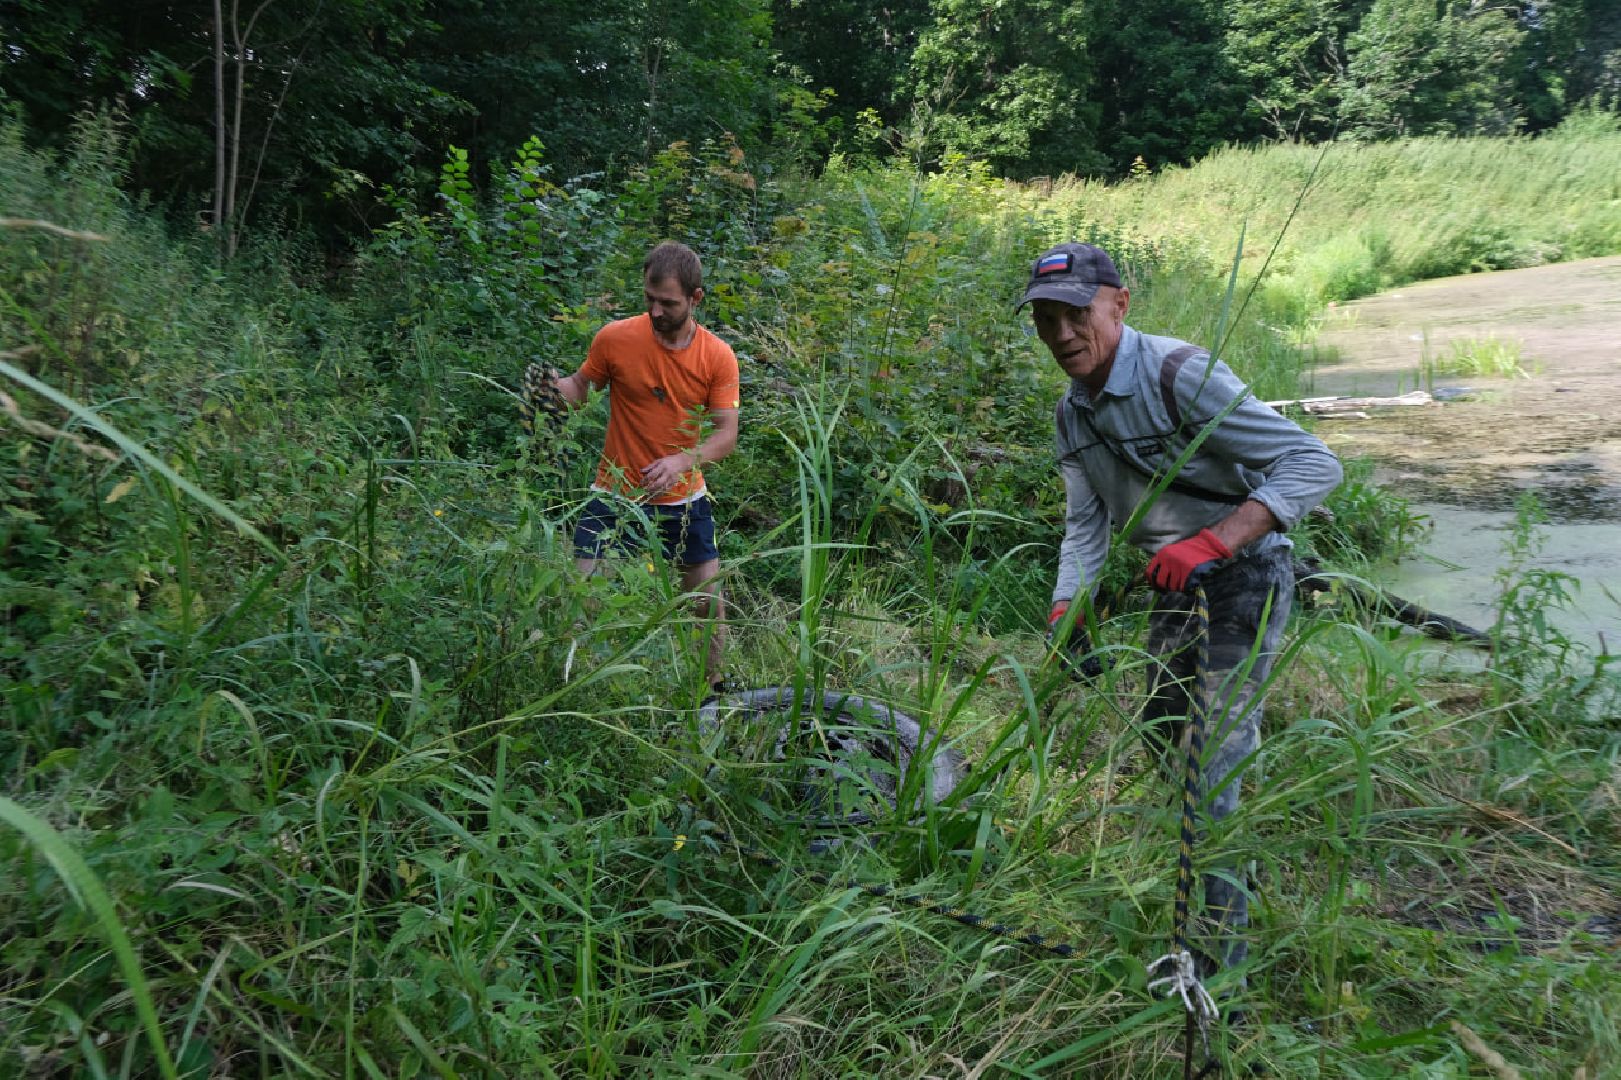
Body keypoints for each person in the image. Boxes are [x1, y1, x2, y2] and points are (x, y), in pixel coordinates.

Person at [1020, 242, 1342, 982]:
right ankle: (1231, 882)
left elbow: (1314, 463)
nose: (1062, 335)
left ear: (1117, 305)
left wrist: (1215, 540)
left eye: (1075, 314)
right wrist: (1068, 603)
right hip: (1171, 587)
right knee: (1168, 745)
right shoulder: (1072, 416)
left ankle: (1214, 969)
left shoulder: (1178, 374)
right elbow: (1085, 526)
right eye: (1044, 320)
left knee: (1210, 764)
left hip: (1244, 575)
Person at [552, 241, 741, 696]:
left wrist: (682, 460)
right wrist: (547, 393)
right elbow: (580, 387)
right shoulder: (616, 338)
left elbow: (725, 435)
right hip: (613, 496)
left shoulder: (717, 356)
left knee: (707, 603)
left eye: (668, 303)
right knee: (582, 597)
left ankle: (712, 691)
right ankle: (577, 691)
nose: (656, 312)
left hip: (684, 501)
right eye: (649, 300)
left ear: (696, 299)